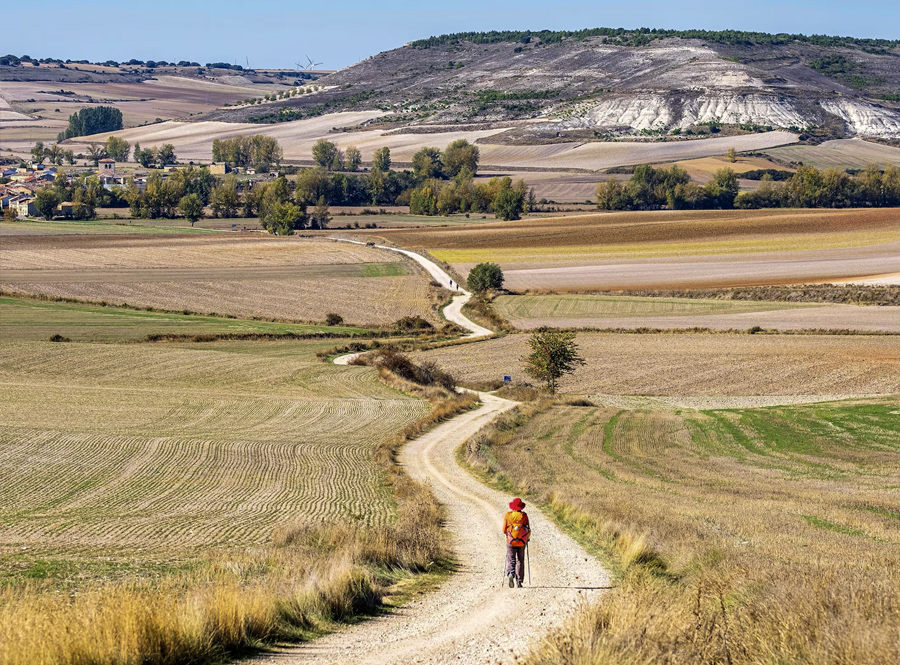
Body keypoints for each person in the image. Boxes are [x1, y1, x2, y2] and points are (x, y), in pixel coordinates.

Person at [503, 497, 530, 588]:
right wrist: (527, 538)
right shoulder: (524, 516)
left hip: (510, 541)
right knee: (520, 560)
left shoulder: (508, 515)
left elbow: (504, 530)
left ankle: (511, 573)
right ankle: (519, 581)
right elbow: (527, 529)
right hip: (522, 541)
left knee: (511, 559)